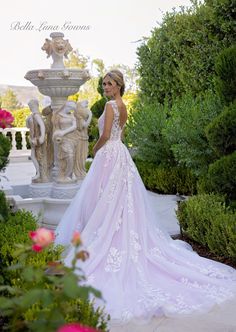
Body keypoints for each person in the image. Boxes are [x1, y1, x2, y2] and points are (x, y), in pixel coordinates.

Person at [55, 70, 236, 323]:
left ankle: (105, 238)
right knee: (117, 202)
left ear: (118, 85)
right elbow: (121, 135)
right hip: (120, 156)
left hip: (109, 154)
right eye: (104, 83)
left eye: (109, 83)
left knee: (108, 201)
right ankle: (113, 235)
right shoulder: (122, 105)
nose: (105, 86)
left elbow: (106, 136)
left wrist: (93, 151)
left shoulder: (109, 105)